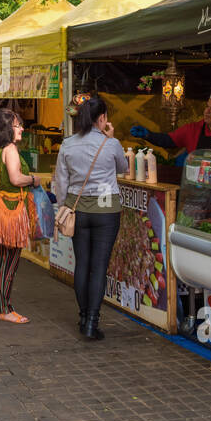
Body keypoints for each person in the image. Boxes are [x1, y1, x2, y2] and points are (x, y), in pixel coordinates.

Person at [54, 97, 130, 340]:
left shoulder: (67, 144)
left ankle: (83, 315)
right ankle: (91, 323)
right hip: (106, 210)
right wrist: (109, 136)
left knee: (82, 264)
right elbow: (123, 168)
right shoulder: (112, 143)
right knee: (99, 266)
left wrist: (64, 206)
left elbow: (61, 181)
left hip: (77, 209)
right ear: (102, 118)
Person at [0, 108, 40, 325]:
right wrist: (33, 179)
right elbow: (15, 178)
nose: (22, 128)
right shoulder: (10, 149)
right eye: (17, 125)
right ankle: (4, 308)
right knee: (9, 261)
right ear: (7, 129)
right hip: (10, 212)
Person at [130, 88, 211, 162]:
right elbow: (168, 140)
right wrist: (148, 135)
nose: (207, 111)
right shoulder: (193, 129)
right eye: (207, 106)